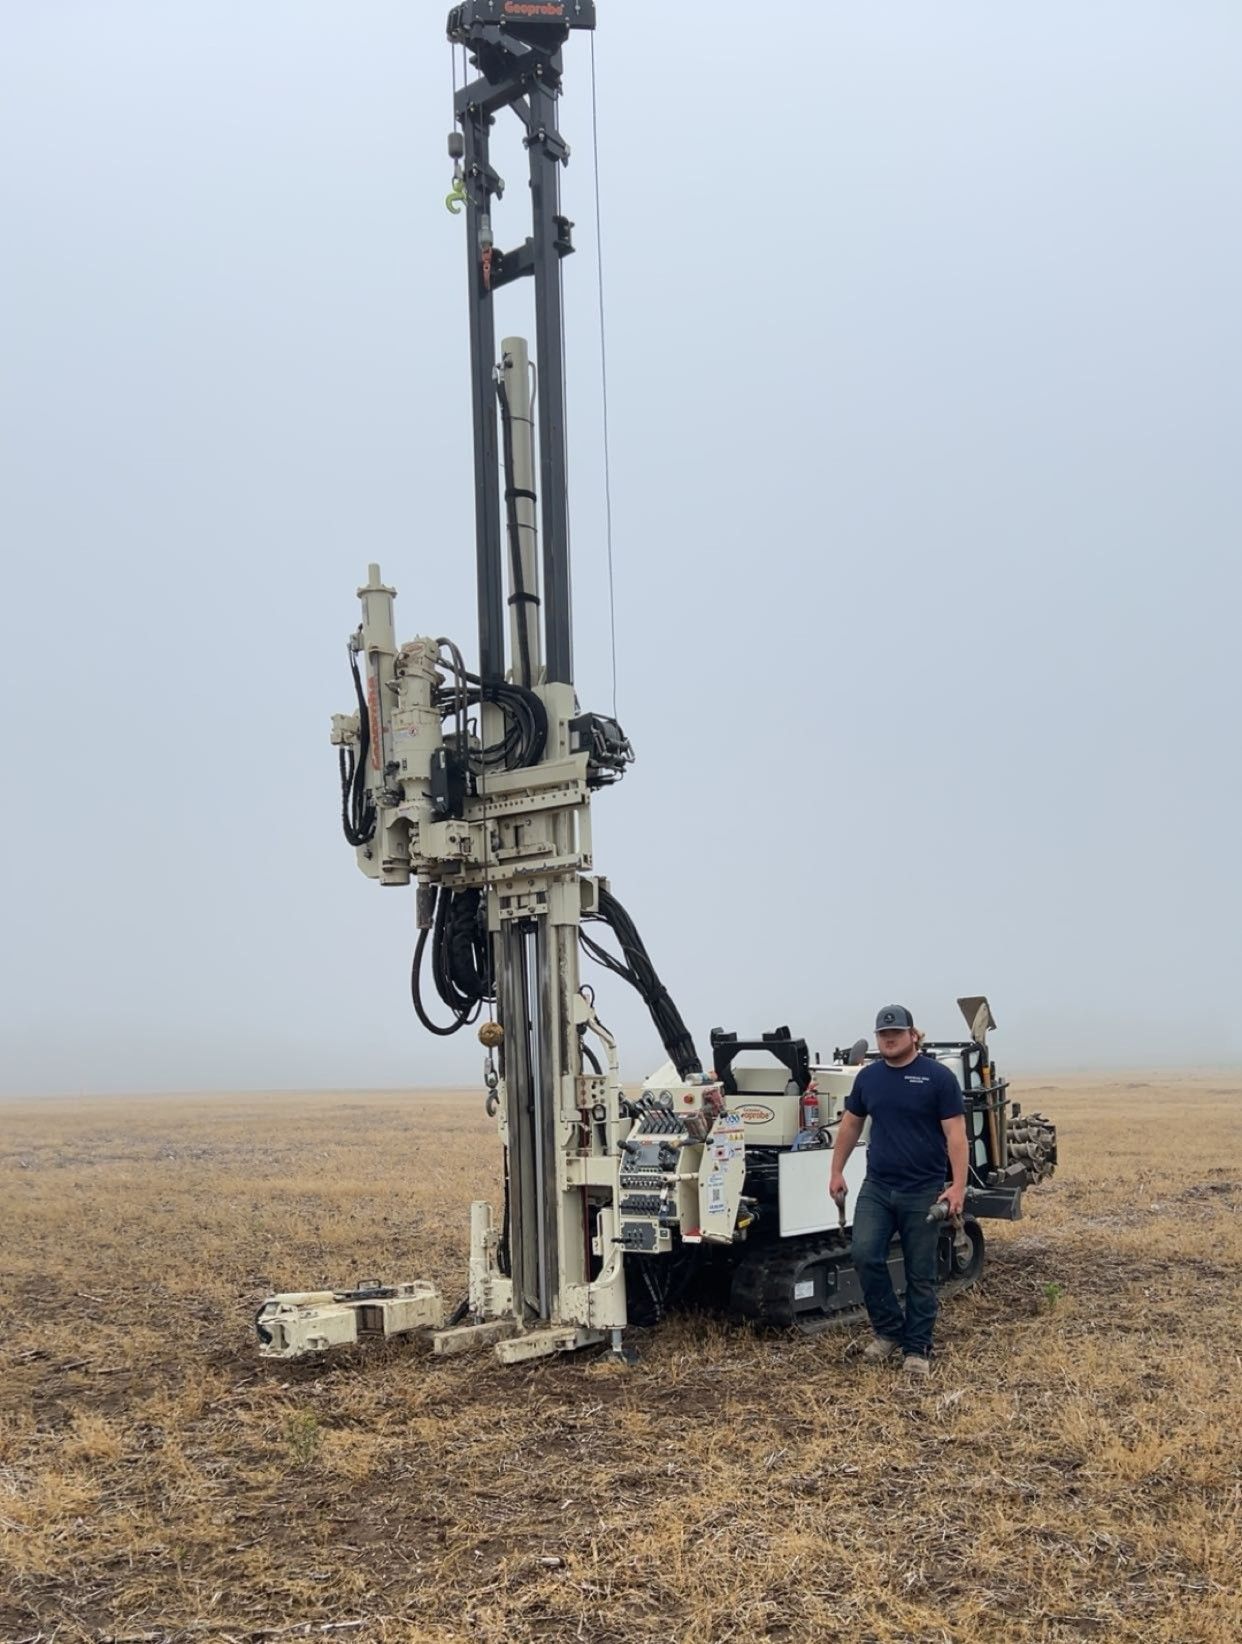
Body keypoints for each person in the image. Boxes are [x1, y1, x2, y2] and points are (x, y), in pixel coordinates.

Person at [829, 1005, 968, 1378]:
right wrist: (836, 1171)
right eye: (882, 1034)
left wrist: (957, 1186)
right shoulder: (868, 1079)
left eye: (896, 1032)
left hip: (923, 1189)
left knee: (920, 1272)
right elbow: (850, 1125)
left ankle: (917, 1348)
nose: (889, 1039)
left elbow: (956, 1134)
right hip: (877, 1186)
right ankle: (889, 1330)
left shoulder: (937, 1078)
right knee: (864, 1254)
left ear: (912, 1035)